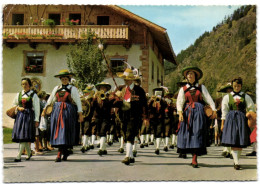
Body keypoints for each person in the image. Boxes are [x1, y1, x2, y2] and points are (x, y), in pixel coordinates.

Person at [176, 66, 217, 168]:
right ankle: (186, 152)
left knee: (198, 133)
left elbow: (208, 98)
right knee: (187, 133)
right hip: (187, 112)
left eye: (192, 74)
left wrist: (214, 109)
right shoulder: (183, 89)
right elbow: (179, 102)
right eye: (188, 74)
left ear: (196, 76)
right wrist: (180, 113)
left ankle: (195, 158)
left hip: (199, 112)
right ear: (186, 77)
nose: (190, 76)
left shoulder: (201, 87)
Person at [41, 69, 83, 162]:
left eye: (66, 78)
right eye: (63, 78)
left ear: (69, 79)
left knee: (65, 132)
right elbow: (51, 99)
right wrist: (44, 110)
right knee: (59, 131)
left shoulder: (73, 89)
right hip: (57, 111)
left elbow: (78, 101)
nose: (64, 80)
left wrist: (80, 113)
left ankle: (61, 152)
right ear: (60, 79)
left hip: (68, 112)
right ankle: (63, 151)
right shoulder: (56, 88)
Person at [114, 68, 148, 165]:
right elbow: (112, 102)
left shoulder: (139, 90)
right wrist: (117, 98)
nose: (126, 81)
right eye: (125, 79)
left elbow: (144, 105)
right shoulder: (120, 89)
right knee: (125, 134)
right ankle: (131, 156)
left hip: (135, 115)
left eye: (128, 79)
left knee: (130, 134)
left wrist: (145, 117)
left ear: (132, 79)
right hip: (123, 115)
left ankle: (127, 156)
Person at [221, 77, 255, 170]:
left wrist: (249, 113)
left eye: (238, 86)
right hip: (231, 120)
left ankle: (237, 160)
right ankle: (236, 162)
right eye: (235, 86)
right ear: (232, 86)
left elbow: (251, 107)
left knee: (240, 141)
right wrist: (223, 124)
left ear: (241, 86)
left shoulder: (245, 96)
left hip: (242, 119)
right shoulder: (227, 97)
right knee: (233, 141)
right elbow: (224, 111)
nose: (236, 87)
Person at [12, 78, 40, 162]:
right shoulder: (19, 94)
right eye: (23, 84)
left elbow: (37, 108)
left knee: (24, 136)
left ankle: (19, 155)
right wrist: (18, 107)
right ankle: (28, 153)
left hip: (28, 116)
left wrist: (36, 120)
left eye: (26, 84)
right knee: (22, 135)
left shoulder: (33, 95)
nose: (24, 86)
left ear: (29, 85)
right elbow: (14, 104)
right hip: (20, 116)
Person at [92, 82, 113, 156]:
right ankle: (104, 148)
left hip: (106, 117)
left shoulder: (109, 97)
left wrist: (106, 99)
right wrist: (94, 98)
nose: (102, 89)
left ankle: (101, 149)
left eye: (104, 88)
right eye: (101, 88)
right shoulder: (96, 97)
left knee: (103, 131)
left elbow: (111, 105)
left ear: (106, 89)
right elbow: (93, 107)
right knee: (99, 132)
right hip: (98, 117)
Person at [215, 84, 233, 158]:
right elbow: (215, 109)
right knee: (222, 133)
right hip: (220, 118)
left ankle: (230, 150)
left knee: (231, 133)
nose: (229, 91)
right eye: (228, 90)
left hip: (231, 117)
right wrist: (218, 110)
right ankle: (225, 149)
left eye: (230, 90)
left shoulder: (233, 99)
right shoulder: (218, 100)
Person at [80, 85, 95, 153]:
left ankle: (84, 145)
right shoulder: (82, 99)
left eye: (87, 92)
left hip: (88, 117)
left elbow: (92, 109)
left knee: (86, 130)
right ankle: (87, 144)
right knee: (83, 131)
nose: (85, 93)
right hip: (83, 117)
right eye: (85, 92)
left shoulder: (91, 100)